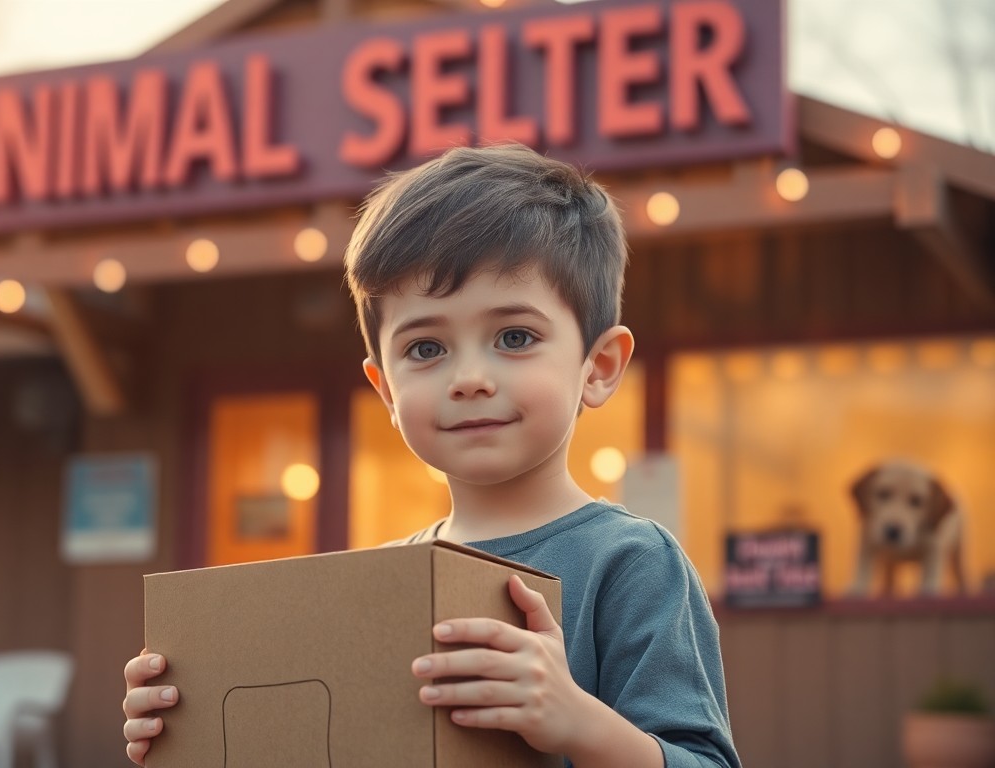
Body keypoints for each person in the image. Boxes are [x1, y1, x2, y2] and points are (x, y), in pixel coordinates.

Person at [123, 144, 741, 767]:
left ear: (598, 367)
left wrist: (577, 721)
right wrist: (190, 733)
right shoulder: (379, 585)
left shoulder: (631, 563)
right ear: (385, 390)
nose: (469, 377)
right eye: (425, 348)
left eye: (514, 337)